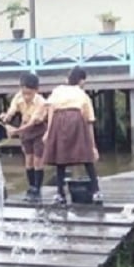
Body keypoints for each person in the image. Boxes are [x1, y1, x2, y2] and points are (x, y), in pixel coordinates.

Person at [42, 66, 103, 206]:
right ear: (81, 81)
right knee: (87, 156)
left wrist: (48, 131)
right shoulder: (82, 94)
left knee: (60, 159)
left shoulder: (58, 90)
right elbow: (89, 121)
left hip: (58, 120)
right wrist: (93, 146)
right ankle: (96, 191)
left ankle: (60, 193)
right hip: (76, 119)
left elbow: (51, 110)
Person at [1, 73, 47, 202]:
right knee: (28, 160)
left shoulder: (41, 102)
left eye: (29, 94)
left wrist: (15, 131)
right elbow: (11, 111)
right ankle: (31, 186)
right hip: (25, 128)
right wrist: (6, 118)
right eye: (24, 93)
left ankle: (37, 188)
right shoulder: (18, 97)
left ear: (36, 91)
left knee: (37, 160)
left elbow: (33, 123)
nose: (26, 97)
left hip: (38, 130)